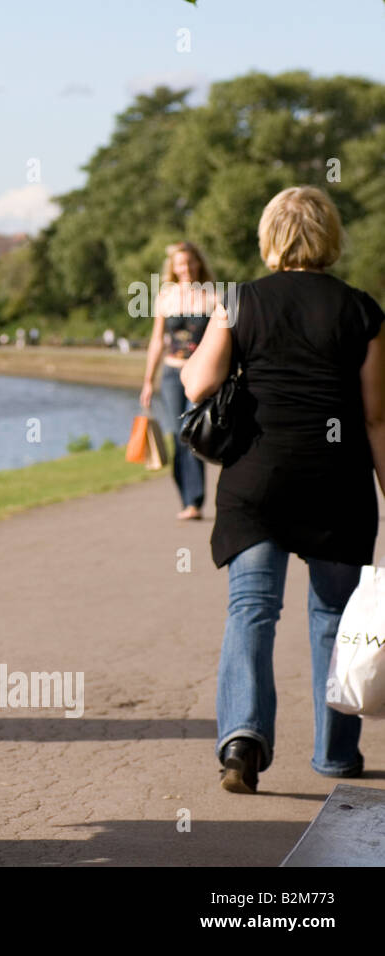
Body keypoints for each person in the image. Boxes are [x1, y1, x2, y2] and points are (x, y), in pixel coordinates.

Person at [182, 185, 385, 793]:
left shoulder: (240, 302)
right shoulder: (361, 310)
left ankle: (242, 741)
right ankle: (335, 755)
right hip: (337, 481)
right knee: (332, 618)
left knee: (252, 610)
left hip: (257, 477)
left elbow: (197, 385)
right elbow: (377, 416)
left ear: (271, 238)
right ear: (330, 238)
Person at [141, 241, 218, 520]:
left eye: (190, 262)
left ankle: (195, 502)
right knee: (177, 435)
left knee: (193, 432)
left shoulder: (213, 296)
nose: (186, 268)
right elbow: (157, 341)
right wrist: (148, 380)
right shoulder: (166, 297)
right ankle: (186, 498)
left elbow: (224, 339)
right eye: (180, 264)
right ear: (173, 268)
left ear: (198, 263)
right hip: (172, 373)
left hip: (200, 374)